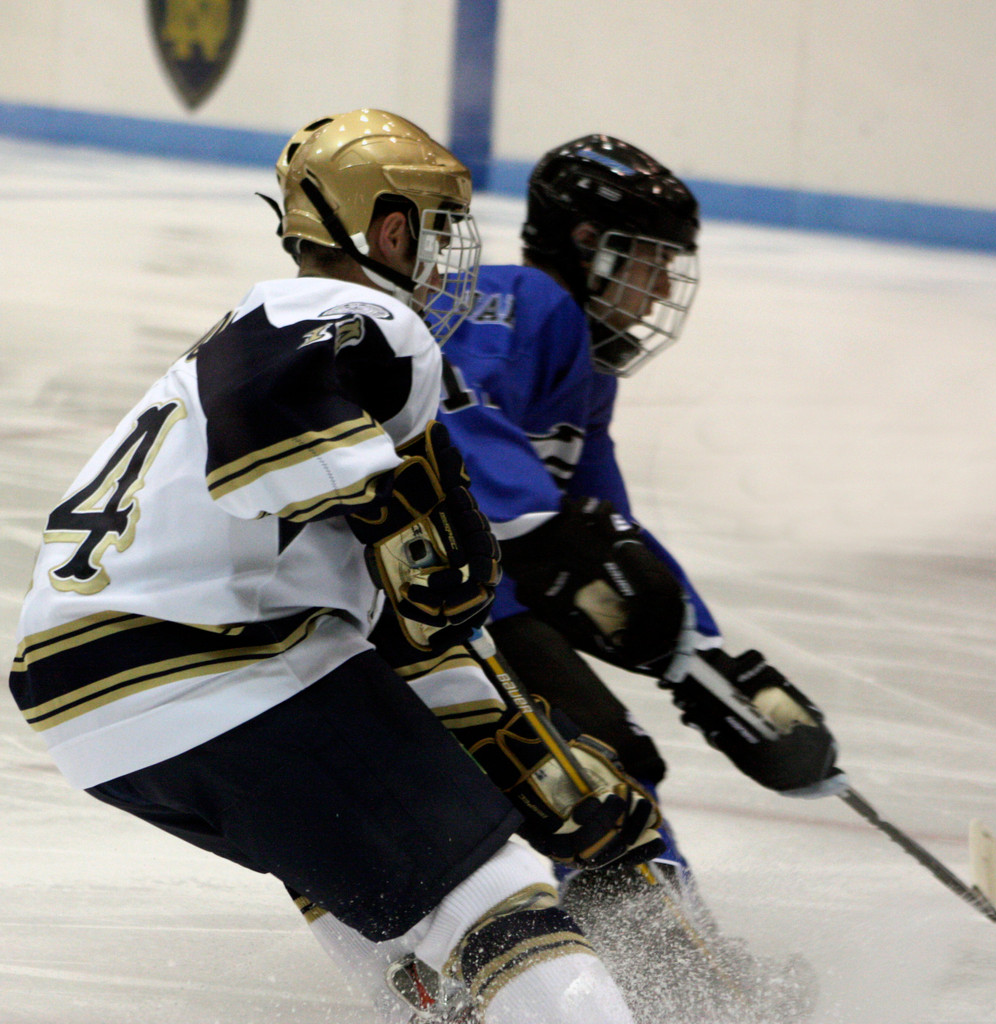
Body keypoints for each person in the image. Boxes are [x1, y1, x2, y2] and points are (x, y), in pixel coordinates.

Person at [7, 110, 661, 1024]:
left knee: (366, 884)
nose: (445, 260)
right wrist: (398, 510)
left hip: (95, 705)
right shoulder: (353, 316)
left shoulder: (251, 350)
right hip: (209, 660)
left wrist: (541, 770)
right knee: (496, 893)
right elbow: (269, 406)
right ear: (390, 231)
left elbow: (404, 640)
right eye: (437, 230)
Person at [431, 135, 847, 1022]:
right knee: (597, 771)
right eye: (652, 261)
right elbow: (452, 419)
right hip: (424, 607)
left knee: (549, 777)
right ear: (589, 243)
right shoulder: (525, 302)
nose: (661, 288)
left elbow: (608, 532)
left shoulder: (579, 367)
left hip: (455, 607)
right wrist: (557, 547)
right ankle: (685, 990)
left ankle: (491, 979)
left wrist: (706, 660)